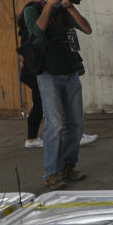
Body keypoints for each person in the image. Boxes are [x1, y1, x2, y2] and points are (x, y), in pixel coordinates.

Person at [21, 0, 92, 190]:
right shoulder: (32, 10)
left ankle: (68, 166)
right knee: (56, 123)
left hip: (69, 70)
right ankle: (52, 173)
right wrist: (50, 6)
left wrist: (70, 7)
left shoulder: (65, 9)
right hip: (47, 73)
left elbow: (87, 29)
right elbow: (37, 33)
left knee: (75, 123)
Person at [16, 14, 98, 148]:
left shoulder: (51, 22)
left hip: (39, 70)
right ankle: (36, 139)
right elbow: (36, 46)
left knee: (40, 104)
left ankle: (32, 139)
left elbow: (86, 29)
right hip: (40, 70)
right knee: (47, 107)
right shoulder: (36, 27)